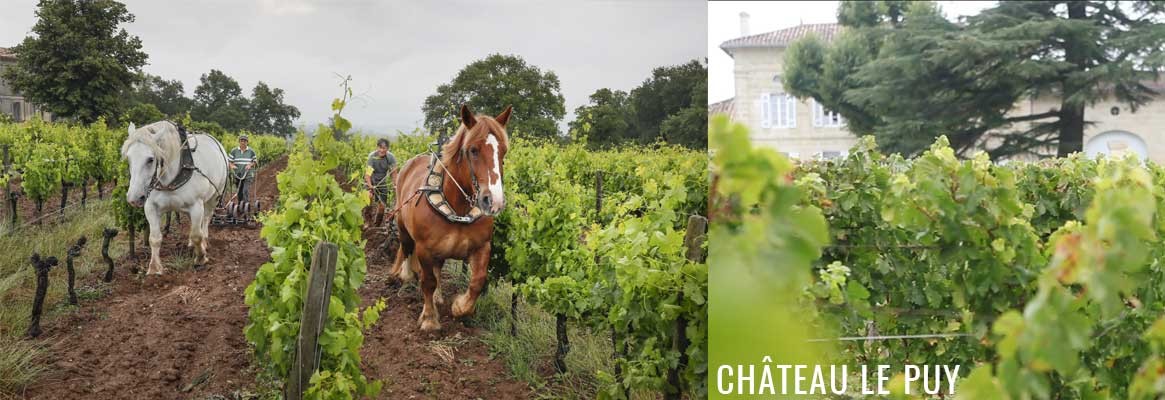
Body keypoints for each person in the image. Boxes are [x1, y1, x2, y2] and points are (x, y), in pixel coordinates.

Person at [365, 138, 397, 226]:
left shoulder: (390, 158)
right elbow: (368, 175)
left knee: (382, 206)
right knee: (369, 197)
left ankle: (377, 225)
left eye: (384, 148)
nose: (382, 150)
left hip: (382, 182)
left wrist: (395, 185)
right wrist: (370, 186)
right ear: (377, 147)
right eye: (380, 147)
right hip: (371, 180)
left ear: (387, 149)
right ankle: (368, 220)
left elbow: (393, 173)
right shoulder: (372, 157)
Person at [228, 135, 258, 205]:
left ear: (247, 142)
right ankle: (240, 204)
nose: (243, 142)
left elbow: (255, 161)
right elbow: (229, 161)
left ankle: (246, 205)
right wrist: (232, 166)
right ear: (239, 142)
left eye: (245, 141)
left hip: (248, 174)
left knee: (245, 190)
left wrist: (250, 165)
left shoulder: (251, 151)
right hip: (238, 175)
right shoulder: (234, 151)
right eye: (241, 141)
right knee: (239, 191)